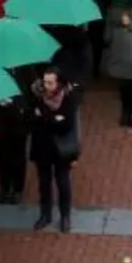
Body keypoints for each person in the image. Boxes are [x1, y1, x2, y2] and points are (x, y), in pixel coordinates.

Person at [26, 65, 80, 233]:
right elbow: (32, 120)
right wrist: (52, 120)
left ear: (59, 83)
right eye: (45, 82)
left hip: (61, 150)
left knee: (62, 182)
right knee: (44, 182)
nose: (47, 86)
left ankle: (65, 215)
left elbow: (66, 125)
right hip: (42, 147)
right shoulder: (36, 97)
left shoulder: (69, 99)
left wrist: (44, 118)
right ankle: (45, 214)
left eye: (51, 83)